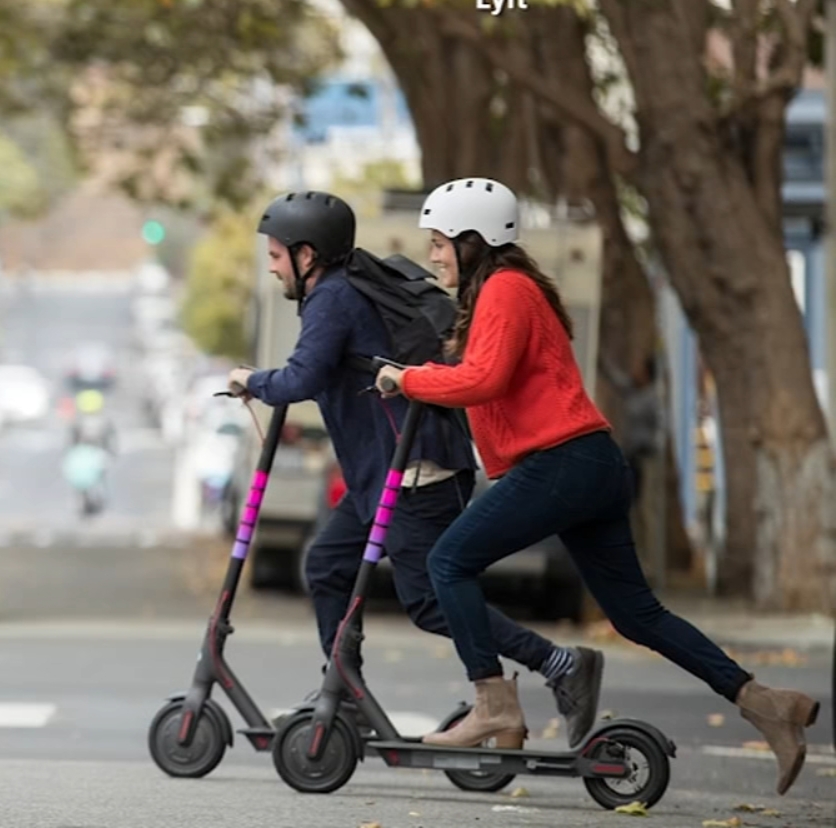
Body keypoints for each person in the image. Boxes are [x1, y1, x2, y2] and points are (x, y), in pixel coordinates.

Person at [376, 178, 820, 793]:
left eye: (439, 242)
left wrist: (408, 380)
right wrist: (429, 378)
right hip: (588, 465)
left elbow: (483, 379)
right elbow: (487, 379)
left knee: (447, 563)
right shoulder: (504, 291)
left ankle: (493, 703)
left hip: (560, 464)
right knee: (637, 615)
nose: (433, 254)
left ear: (473, 240)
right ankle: (764, 702)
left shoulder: (506, 288)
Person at [225, 190, 604, 744]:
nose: (272, 265)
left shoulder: (333, 296)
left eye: (277, 254)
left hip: (416, 473)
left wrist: (251, 380)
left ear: (307, 255)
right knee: (327, 565)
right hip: (384, 476)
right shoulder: (349, 283)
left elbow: (302, 377)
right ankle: (344, 693)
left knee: (428, 600)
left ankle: (558, 663)